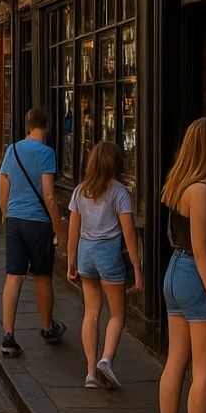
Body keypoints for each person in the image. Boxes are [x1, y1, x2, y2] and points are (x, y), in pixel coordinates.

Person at [158, 118, 206, 413]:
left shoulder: (177, 181)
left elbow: (177, 236)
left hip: (174, 271)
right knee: (202, 374)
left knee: (175, 362)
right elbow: (201, 252)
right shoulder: (201, 190)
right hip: (195, 277)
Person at [66, 141, 142, 389]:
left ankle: (89, 373)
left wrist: (71, 261)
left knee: (91, 312)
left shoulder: (80, 191)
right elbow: (129, 233)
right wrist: (137, 267)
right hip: (109, 254)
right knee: (117, 314)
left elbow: (73, 231)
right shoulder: (120, 192)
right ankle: (106, 360)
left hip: (86, 254)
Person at [0, 107, 67, 357]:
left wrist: (5, 212)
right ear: (46, 127)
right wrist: (58, 226)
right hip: (38, 222)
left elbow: (3, 182)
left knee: (13, 276)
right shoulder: (47, 153)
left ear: (28, 125)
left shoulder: (12, 149)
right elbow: (49, 194)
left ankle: (8, 335)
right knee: (42, 276)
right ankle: (47, 327)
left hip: (15, 220)